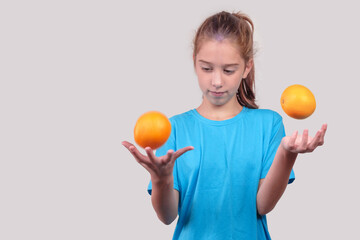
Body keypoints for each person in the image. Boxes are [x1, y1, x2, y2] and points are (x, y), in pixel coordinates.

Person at [122, 10, 327, 240]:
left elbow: (262, 205)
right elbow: (168, 216)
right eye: (206, 68)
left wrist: (287, 154)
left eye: (228, 70)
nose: (217, 81)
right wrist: (161, 178)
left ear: (246, 67)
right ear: (194, 63)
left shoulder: (268, 124)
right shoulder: (173, 129)